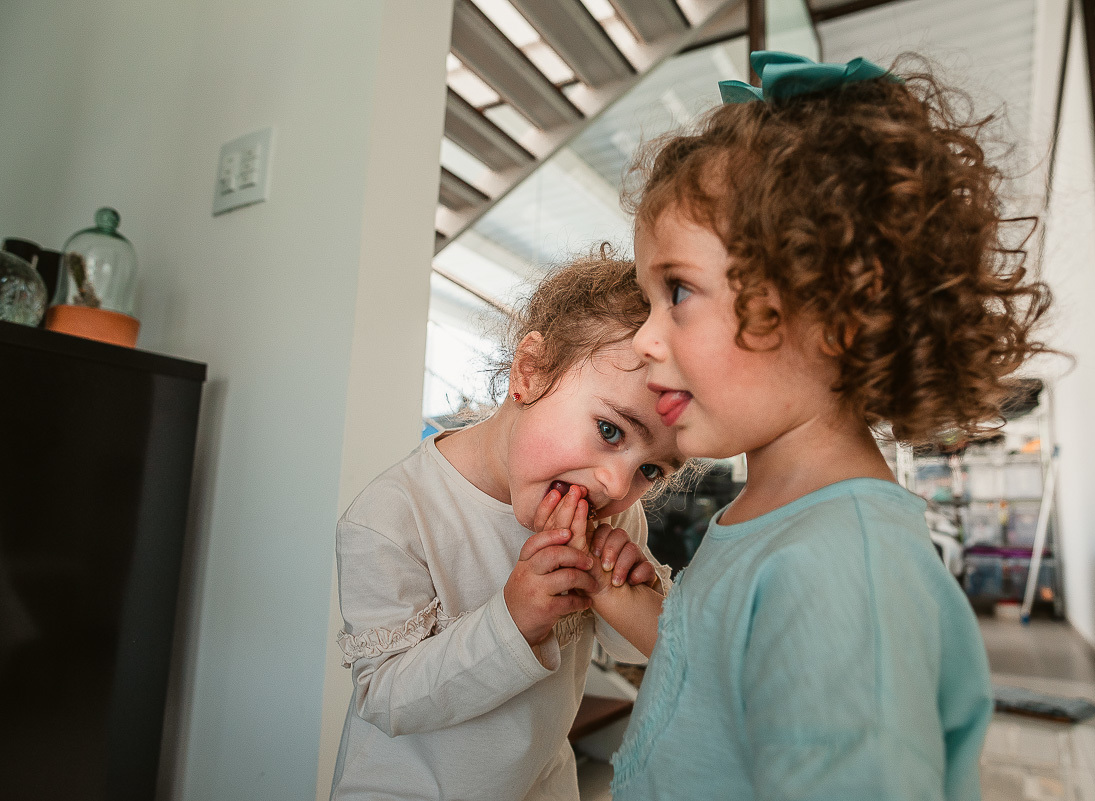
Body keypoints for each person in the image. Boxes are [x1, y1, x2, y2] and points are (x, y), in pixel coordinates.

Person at [580, 52, 1053, 800]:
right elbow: (732, 693)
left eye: (677, 290)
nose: (643, 338)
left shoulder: (841, 573)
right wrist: (655, 620)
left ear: (831, 308)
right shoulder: (772, 516)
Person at [329, 251, 686, 801]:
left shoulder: (616, 516)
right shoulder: (395, 516)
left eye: (650, 469)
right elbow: (385, 698)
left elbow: (632, 652)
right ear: (530, 372)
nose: (617, 485)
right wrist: (515, 619)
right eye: (611, 431)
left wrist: (626, 591)